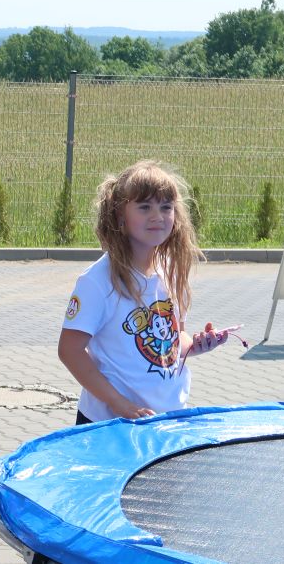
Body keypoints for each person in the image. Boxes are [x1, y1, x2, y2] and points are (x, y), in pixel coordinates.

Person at [59, 160, 218, 425]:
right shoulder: (97, 281)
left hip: (166, 419)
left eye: (166, 207)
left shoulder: (171, 272)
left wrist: (195, 345)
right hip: (110, 424)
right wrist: (119, 404)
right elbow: (69, 351)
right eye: (145, 207)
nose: (157, 216)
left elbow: (173, 339)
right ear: (120, 216)